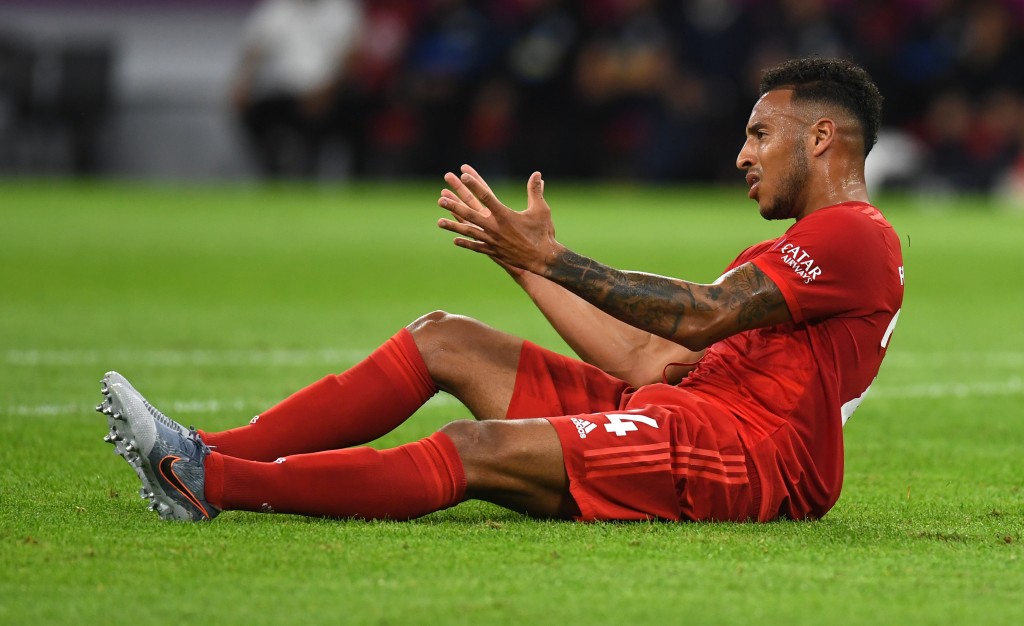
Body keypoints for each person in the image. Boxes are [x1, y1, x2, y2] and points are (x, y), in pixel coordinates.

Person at [98, 57, 903, 523]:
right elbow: (648, 359)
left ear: (822, 136)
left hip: (745, 457)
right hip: (680, 413)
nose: (743, 154)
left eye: (760, 133)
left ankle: (209, 482)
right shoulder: (793, 249)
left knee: (473, 450)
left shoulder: (857, 234)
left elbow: (703, 314)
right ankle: (205, 446)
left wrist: (555, 263)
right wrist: (523, 256)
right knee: (443, 337)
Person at [230, 0, 364, 178]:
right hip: (285, 93)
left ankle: (348, 177)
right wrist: (243, 82)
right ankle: (274, 172)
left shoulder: (341, 9)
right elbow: (255, 48)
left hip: (330, 93)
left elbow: (351, 57)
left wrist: (327, 91)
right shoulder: (276, 9)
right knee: (255, 113)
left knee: (355, 111)